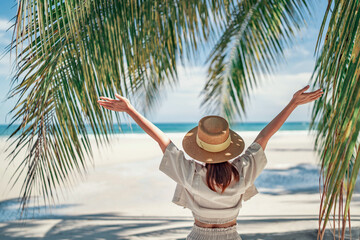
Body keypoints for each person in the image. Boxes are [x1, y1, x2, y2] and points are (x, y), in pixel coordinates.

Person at [97, 85, 323, 240]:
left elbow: (161, 139)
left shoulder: (190, 172)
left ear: (198, 147)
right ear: (228, 145)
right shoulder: (241, 172)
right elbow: (264, 137)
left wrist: (130, 110)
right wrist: (292, 104)